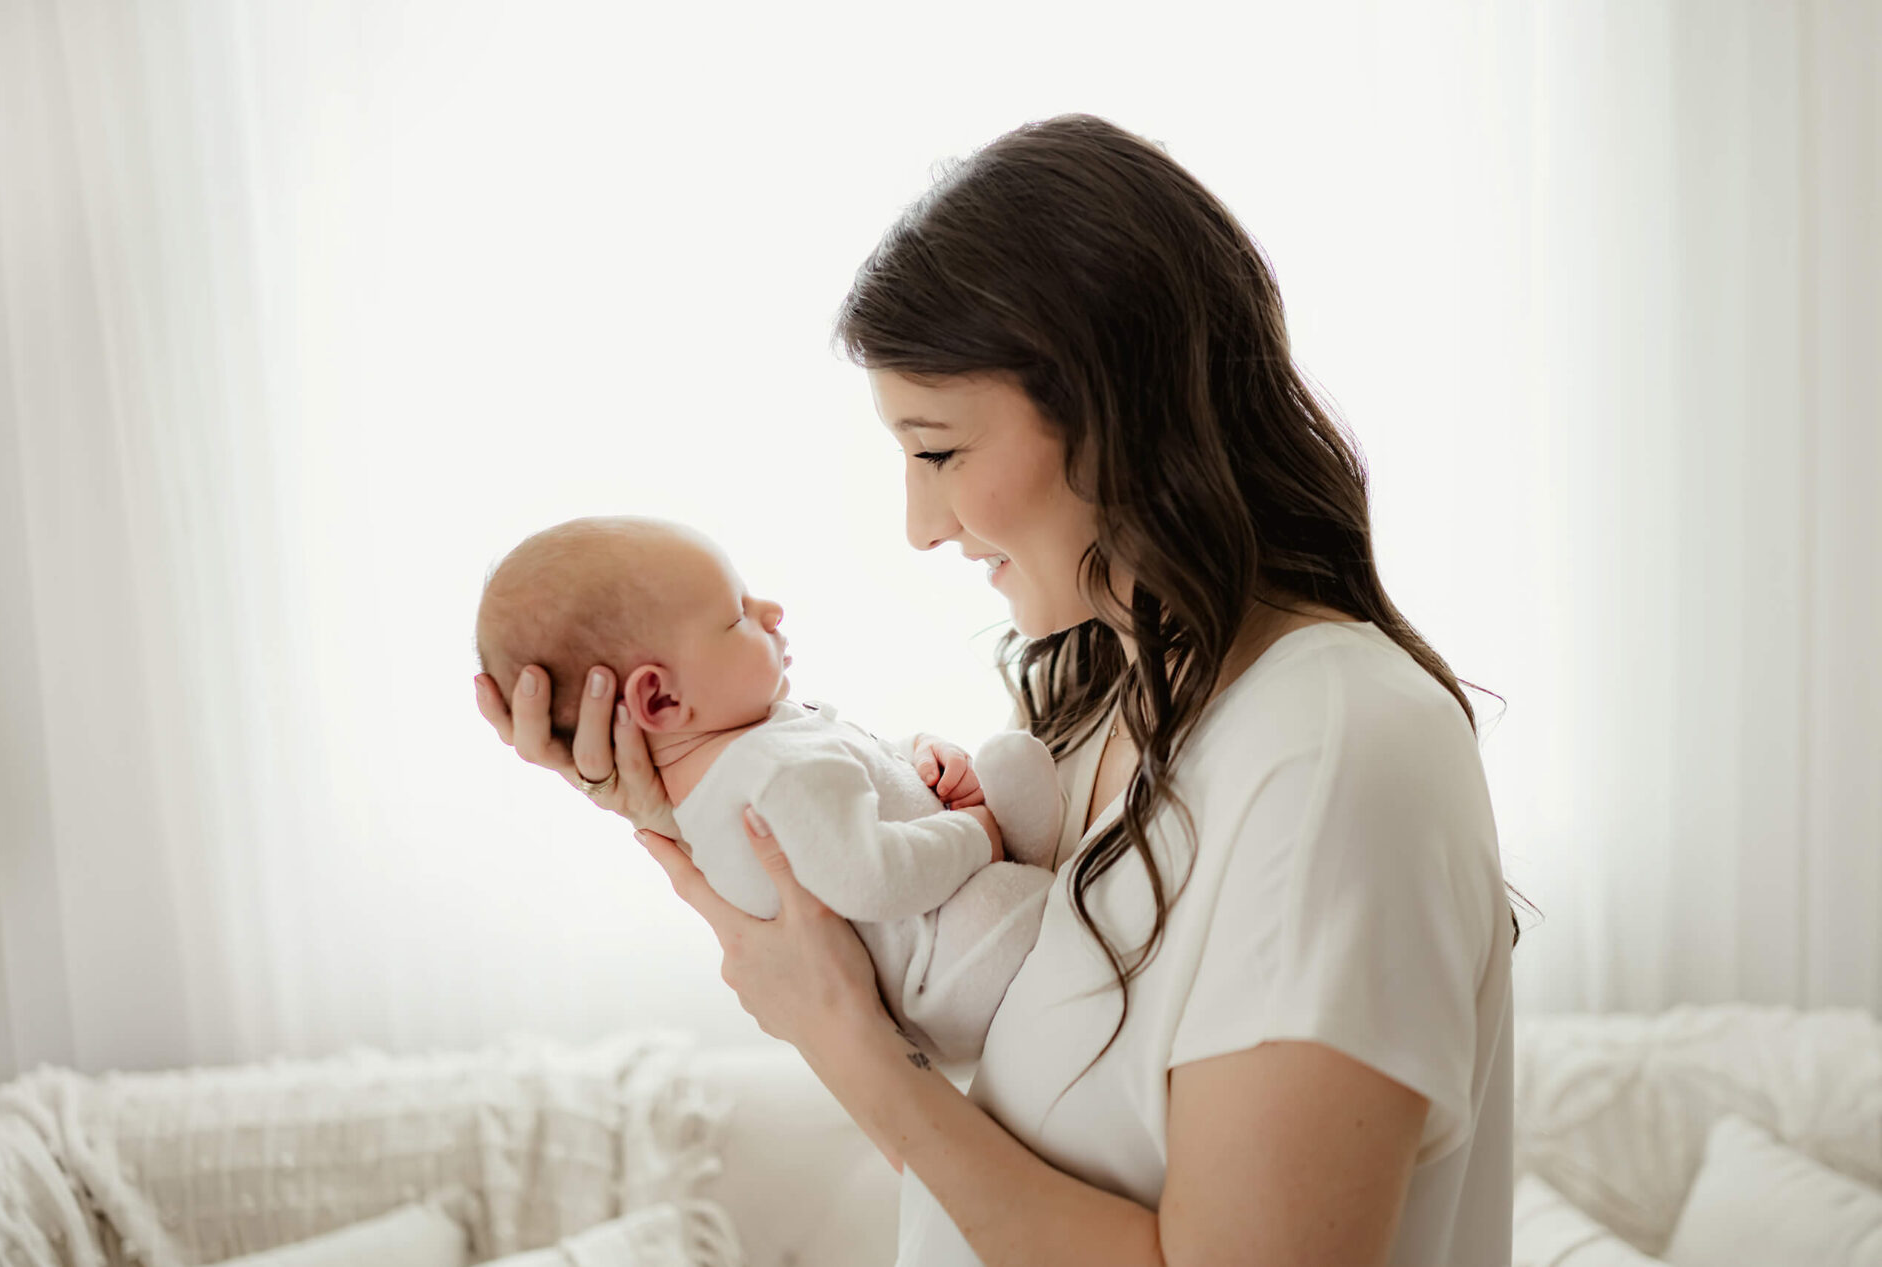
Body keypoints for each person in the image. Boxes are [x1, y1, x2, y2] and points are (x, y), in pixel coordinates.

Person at [477, 113, 1518, 1266]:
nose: (921, 527)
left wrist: (842, 1039)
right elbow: (997, 1182)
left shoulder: (1336, 744)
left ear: (1116, 412)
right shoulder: (1100, 719)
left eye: (938, 452)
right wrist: (681, 796)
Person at [472, 514, 1064, 1064]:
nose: (771, 610)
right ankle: (1036, 862)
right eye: (736, 616)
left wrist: (920, 755)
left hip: (944, 954)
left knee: (1011, 771)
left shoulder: (747, 751)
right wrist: (976, 835)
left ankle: (1034, 855)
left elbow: (860, 770)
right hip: (959, 968)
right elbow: (870, 877)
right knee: (1037, 864)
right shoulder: (768, 774)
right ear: (660, 698)